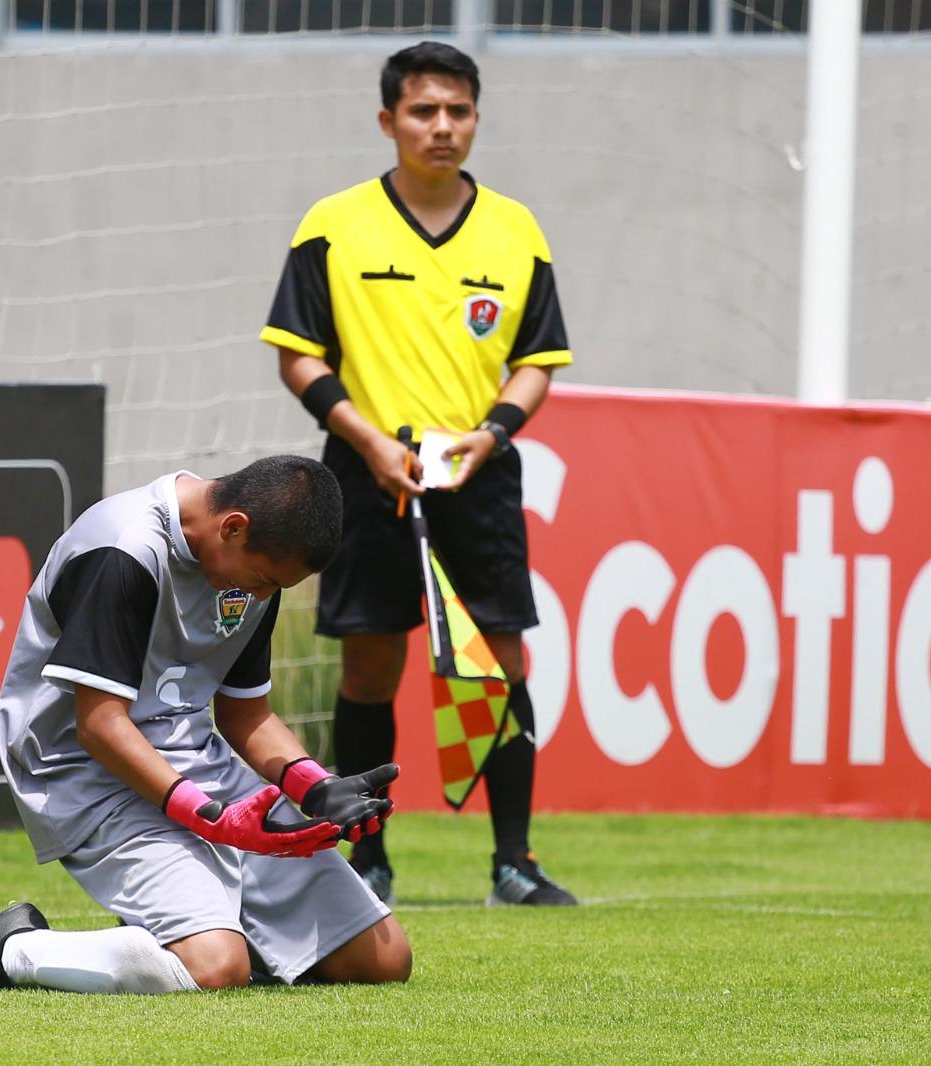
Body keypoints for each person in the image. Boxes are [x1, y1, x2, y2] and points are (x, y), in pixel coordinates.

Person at [0, 455, 412, 993]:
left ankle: (176, 932)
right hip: (84, 771)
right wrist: (210, 816)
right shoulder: (123, 549)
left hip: (192, 763)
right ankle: (7, 950)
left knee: (383, 958)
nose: (260, 595)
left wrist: (316, 786)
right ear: (233, 526)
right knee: (215, 967)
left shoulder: (255, 562)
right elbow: (98, 725)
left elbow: (245, 713)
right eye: (262, 580)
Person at [259, 42, 576, 907]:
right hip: (366, 473)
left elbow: (538, 361)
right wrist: (367, 442)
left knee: (501, 662)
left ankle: (515, 863)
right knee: (370, 667)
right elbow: (298, 356)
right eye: (423, 111)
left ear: (476, 118)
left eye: (458, 112)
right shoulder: (333, 223)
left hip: (477, 473)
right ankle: (366, 860)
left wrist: (491, 435)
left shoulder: (516, 230)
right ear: (388, 120)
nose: (442, 127)